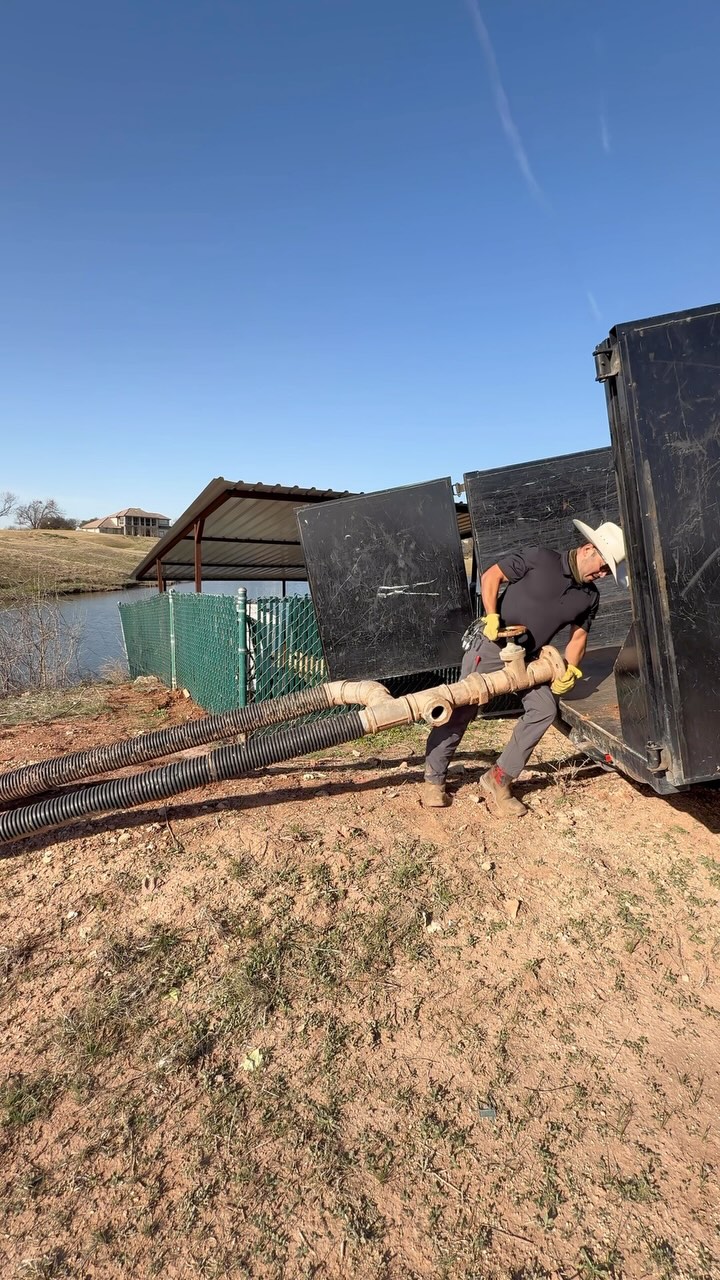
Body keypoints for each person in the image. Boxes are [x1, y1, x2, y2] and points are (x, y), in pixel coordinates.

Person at [423, 520, 629, 817]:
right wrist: (492, 617)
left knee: (544, 708)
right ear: (587, 549)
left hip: (529, 658)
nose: (602, 574)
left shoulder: (590, 597)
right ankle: (434, 779)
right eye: (602, 566)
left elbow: (579, 637)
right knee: (463, 707)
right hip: (494, 645)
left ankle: (499, 779)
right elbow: (492, 575)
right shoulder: (541, 559)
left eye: (608, 571)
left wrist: (569, 669)